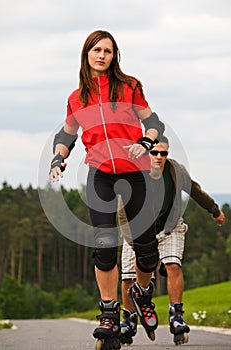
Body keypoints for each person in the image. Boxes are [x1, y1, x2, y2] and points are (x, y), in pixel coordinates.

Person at [48, 30, 165, 348]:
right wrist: (57, 160)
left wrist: (146, 140)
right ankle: (109, 312)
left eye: (108, 51)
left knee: (147, 251)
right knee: (104, 245)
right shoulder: (77, 97)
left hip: (134, 175)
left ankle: (142, 292)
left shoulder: (130, 87)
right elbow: (67, 135)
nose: (102, 55)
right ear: (86, 54)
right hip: (100, 175)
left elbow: (154, 122)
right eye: (96, 50)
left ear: (115, 57)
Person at [118, 136, 225, 346]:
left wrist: (214, 210)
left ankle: (176, 315)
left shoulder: (176, 171)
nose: (159, 157)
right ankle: (128, 319)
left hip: (170, 227)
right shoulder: (134, 175)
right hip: (137, 232)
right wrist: (138, 246)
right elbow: (122, 215)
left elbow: (194, 190)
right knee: (129, 277)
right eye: (154, 153)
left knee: (173, 265)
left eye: (163, 153)